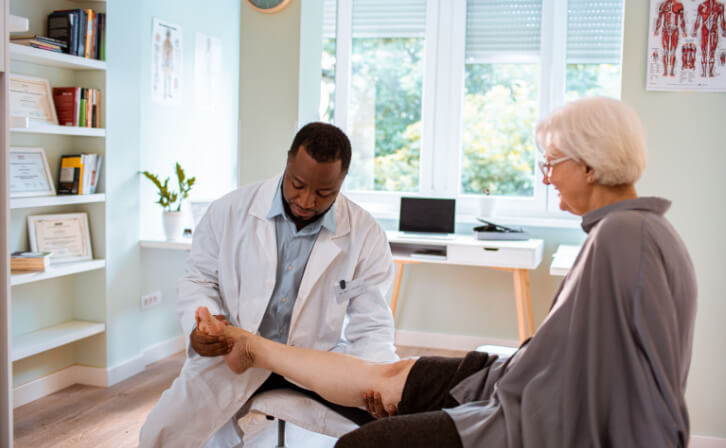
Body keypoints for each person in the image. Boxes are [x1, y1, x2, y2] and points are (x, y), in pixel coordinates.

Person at [195, 97, 698, 447]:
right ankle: (253, 345)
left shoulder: (624, 238)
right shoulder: (633, 233)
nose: (547, 177)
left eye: (553, 163)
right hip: (512, 375)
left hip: (525, 408)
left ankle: (255, 347)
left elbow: (650, 385)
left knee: (366, 443)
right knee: (391, 376)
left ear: (589, 165)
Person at [139, 122, 398, 447]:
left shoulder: (365, 233)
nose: (306, 200)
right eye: (297, 184)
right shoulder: (230, 210)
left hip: (314, 360)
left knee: (391, 429)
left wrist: (378, 380)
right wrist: (203, 325)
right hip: (234, 355)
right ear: (288, 162)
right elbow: (199, 278)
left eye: (323, 192)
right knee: (159, 434)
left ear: (342, 181)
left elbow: (372, 325)